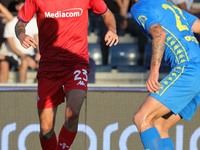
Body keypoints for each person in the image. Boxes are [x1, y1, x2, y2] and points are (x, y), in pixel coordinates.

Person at [15, 0, 118, 150]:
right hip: (49, 67)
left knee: (72, 113)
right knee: (46, 130)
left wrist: (112, 29)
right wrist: (21, 35)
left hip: (77, 63)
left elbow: (107, 13)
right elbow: (20, 23)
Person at [131, 0, 200, 149]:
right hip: (196, 69)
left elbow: (159, 33)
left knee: (141, 118)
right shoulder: (165, 5)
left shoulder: (140, 6)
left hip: (189, 68)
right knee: (158, 126)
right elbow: (198, 26)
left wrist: (154, 71)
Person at [3, 0, 39, 83]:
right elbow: (12, 47)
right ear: (17, 7)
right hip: (15, 55)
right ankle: (23, 90)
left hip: (31, 54)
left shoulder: (34, 22)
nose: (26, 8)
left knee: (43, 63)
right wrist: (25, 57)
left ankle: (38, 90)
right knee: (24, 62)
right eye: (23, 6)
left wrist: (40, 53)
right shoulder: (10, 23)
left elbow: (38, 41)